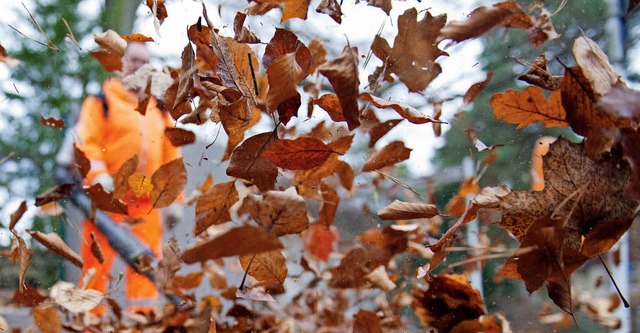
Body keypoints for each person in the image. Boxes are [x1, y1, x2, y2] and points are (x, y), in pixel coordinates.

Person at [74, 42, 182, 315]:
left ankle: (142, 325)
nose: (138, 66)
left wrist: (176, 199)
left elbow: (172, 158)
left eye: (144, 61)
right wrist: (99, 177)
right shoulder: (102, 101)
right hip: (108, 201)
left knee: (146, 271)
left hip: (146, 203)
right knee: (95, 269)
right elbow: (88, 144)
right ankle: (90, 327)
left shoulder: (158, 110)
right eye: (133, 60)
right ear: (121, 64)